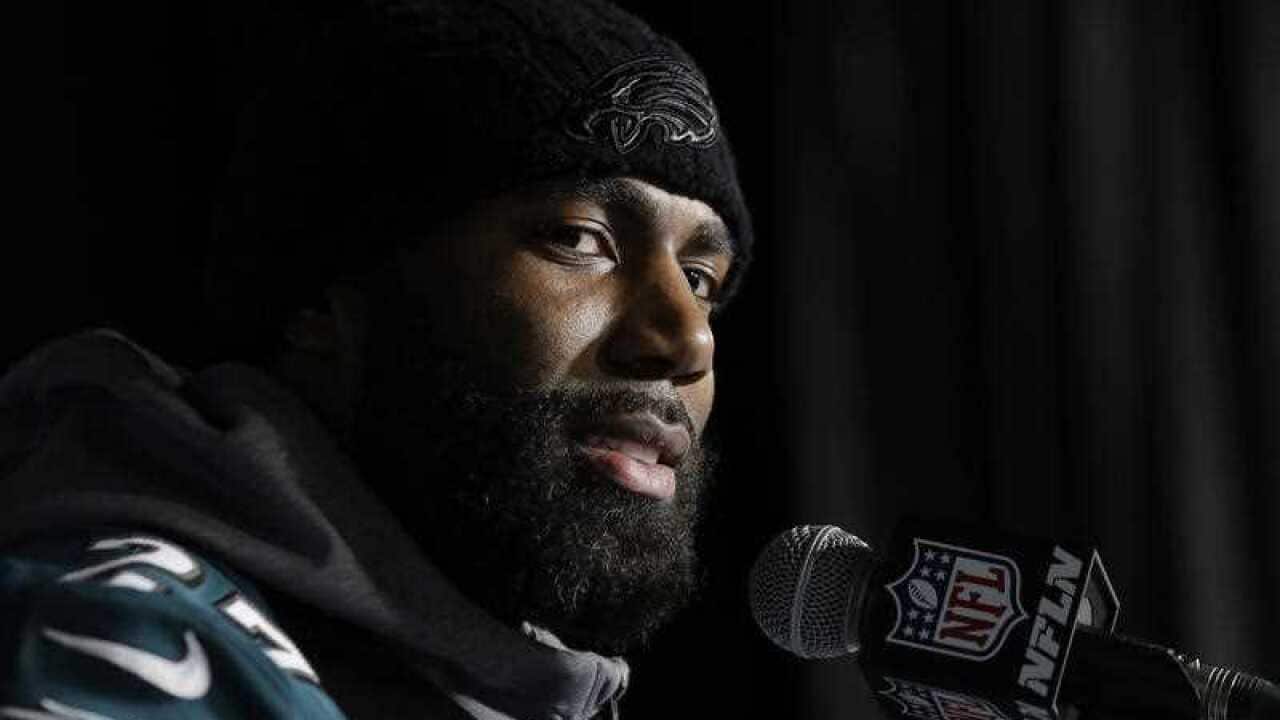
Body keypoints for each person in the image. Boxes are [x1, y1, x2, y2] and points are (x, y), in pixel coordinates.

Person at [0, 0, 753, 718]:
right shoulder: (124, 642)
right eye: (580, 240)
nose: (688, 340)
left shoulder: (486, 678)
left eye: (700, 280)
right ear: (322, 302)